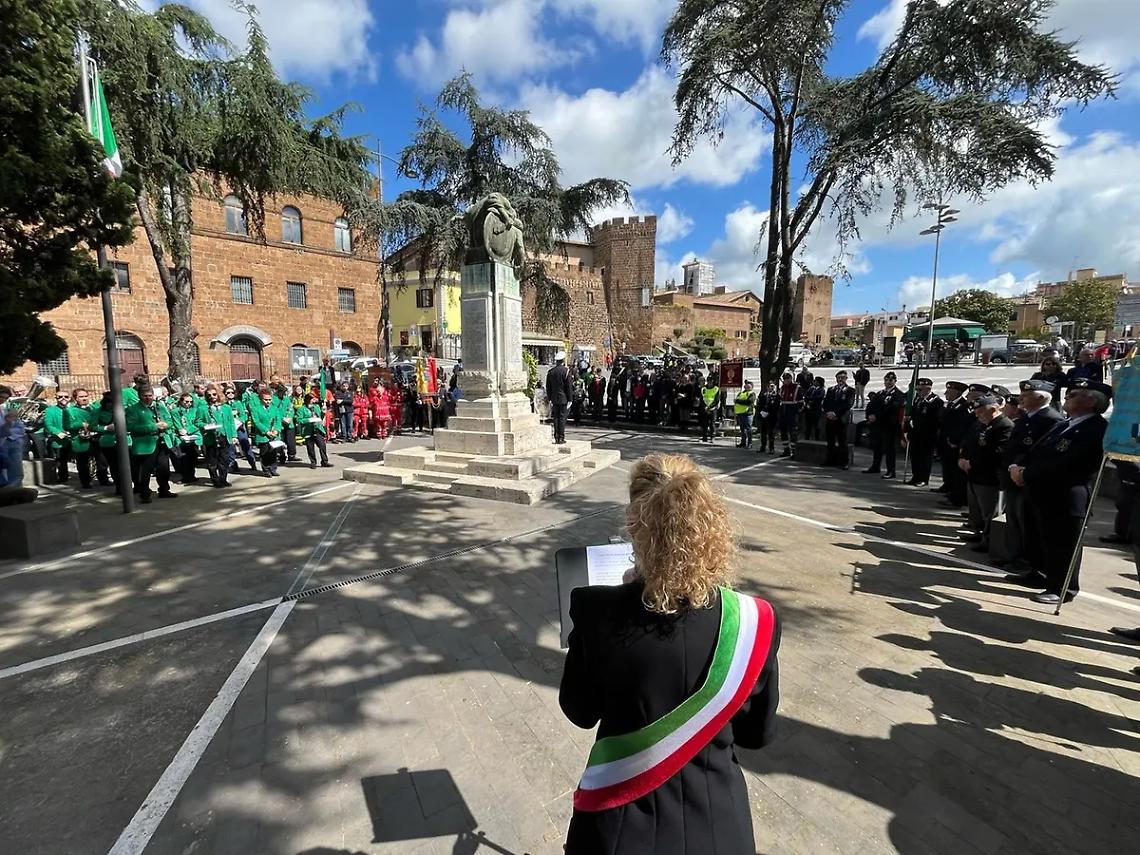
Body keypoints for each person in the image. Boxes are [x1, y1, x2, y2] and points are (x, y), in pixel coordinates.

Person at [559, 453, 780, 855]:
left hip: (619, 828)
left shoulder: (595, 610)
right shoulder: (755, 621)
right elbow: (755, 735)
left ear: (634, 525)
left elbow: (579, 711)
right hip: (719, 827)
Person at [1007, 379, 1110, 603]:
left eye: (1073, 395)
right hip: (1042, 490)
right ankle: (1039, 574)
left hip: (1066, 494)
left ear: (1091, 401)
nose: (1066, 397)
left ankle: (1062, 588)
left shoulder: (1096, 429)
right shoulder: (1065, 424)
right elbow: (1037, 451)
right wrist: (1017, 467)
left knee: (1063, 544)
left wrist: (1026, 473)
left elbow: (1070, 463)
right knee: (1041, 538)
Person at [995, 380, 1063, 569]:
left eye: (1026, 395)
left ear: (1040, 397)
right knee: (1014, 520)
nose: (1021, 398)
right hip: (1012, 476)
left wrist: (1019, 469)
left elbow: (1040, 452)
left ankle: (1026, 560)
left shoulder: (1051, 419)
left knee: (1026, 523)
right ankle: (1014, 556)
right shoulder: (1028, 417)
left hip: (1027, 480)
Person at [959, 395, 1013, 551]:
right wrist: (963, 457)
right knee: (977, 508)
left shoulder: (1004, 425)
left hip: (989, 476)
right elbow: (971, 442)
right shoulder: (982, 424)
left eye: (981, 412)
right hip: (974, 474)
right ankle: (979, 532)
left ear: (993, 409)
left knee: (989, 510)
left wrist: (972, 462)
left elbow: (997, 453)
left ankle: (988, 540)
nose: (978, 415)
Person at [125, 385, 176, 503]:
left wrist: (166, 425)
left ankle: (164, 490)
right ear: (139, 396)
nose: (148, 398)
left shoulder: (159, 406)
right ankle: (144, 493)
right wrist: (154, 426)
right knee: (145, 471)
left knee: (163, 468)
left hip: (162, 441)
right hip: (145, 444)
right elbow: (132, 427)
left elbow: (169, 420)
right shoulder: (133, 409)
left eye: (150, 395)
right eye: (145, 396)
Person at [936, 381, 971, 504]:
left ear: (956, 392)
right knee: (946, 465)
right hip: (945, 440)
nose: (945, 393)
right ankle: (947, 484)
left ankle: (953, 489)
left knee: (953, 467)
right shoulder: (949, 405)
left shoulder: (963, 406)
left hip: (954, 442)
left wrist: (954, 439)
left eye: (949, 391)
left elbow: (960, 425)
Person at [903, 378, 942, 487]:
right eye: (917, 390)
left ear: (928, 389)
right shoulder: (917, 399)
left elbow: (936, 420)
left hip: (927, 435)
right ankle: (916, 476)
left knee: (925, 458)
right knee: (915, 457)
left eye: (920, 390)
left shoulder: (936, 401)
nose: (918, 392)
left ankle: (924, 479)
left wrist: (918, 423)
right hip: (916, 434)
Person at [198, 384, 234, 488]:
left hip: (224, 436)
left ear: (218, 394)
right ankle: (215, 480)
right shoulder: (203, 408)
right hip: (211, 436)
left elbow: (231, 422)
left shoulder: (226, 407)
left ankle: (223, 479)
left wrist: (234, 436)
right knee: (212, 461)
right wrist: (205, 426)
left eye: (214, 394)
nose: (212, 397)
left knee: (225, 460)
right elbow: (197, 421)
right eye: (209, 395)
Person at [822, 370, 856, 468]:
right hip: (830, 418)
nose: (841, 379)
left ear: (846, 379)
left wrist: (836, 413)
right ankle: (830, 459)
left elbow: (848, 404)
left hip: (841, 418)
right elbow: (826, 403)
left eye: (843, 377)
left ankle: (844, 462)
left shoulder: (850, 390)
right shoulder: (831, 390)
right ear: (836, 378)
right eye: (839, 377)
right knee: (830, 440)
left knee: (842, 441)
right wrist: (828, 412)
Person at [65, 387, 96, 489]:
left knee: (101, 461)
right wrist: (81, 424)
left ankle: (103, 479)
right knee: (82, 462)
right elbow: (67, 425)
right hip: (80, 439)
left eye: (86, 396)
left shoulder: (94, 409)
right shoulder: (69, 411)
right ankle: (85, 482)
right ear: (75, 398)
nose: (84, 398)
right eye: (81, 397)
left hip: (95, 437)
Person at [875, 371, 904, 478]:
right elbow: (873, 405)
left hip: (889, 425)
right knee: (877, 446)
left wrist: (878, 415)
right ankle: (875, 466)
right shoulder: (880, 393)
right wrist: (871, 415)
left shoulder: (898, 394)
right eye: (886, 379)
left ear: (895, 381)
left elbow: (893, 408)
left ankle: (891, 470)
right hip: (878, 424)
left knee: (889, 449)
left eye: (891, 380)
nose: (888, 382)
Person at [169, 392, 203, 484]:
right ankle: (185, 477)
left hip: (193, 436)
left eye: (191, 402)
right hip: (182, 438)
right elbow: (176, 422)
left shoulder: (195, 410)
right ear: (181, 401)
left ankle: (192, 475)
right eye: (186, 401)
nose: (189, 403)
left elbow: (197, 423)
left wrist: (188, 430)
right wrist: (180, 430)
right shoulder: (175, 411)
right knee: (183, 458)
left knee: (193, 457)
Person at [249, 388, 283, 477]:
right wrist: (266, 431)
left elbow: (278, 420)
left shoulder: (274, 408)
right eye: (266, 400)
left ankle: (273, 468)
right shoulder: (255, 409)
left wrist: (276, 430)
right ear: (261, 399)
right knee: (265, 453)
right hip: (263, 435)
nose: (268, 401)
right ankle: (266, 469)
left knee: (273, 452)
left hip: (274, 434)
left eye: (269, 399)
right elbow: (256, 422)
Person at [225, 386, 258, 473]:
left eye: (232, 392)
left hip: (239, 428)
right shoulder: (224, 405)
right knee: (231, 447)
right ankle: (232, 465)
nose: (230, 394)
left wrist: (240, 421)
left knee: (245, 445)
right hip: (230, 429)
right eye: (228, 393)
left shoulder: (238, 403)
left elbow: (244, 415)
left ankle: (252, 463)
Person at [42, 390, 71, 482]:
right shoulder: (50, 410)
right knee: (61, 461)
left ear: (69, 398)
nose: (63, 398)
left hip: (74, 438)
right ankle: (63, 478)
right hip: (59, 440)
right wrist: (58, 433)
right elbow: (48, 424)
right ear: (56, 399)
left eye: (66, 396)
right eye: (60, 397)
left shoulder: (73, 409)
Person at [300, 392, 333, 469]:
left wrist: (323, 413)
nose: (314, 400)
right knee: (310, 448)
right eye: (312, 399)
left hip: (317, 429)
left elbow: (320, 417)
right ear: (308, 399)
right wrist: (308, 420)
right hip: (308, 430)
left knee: (322, 445)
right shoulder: (302, 409)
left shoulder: (316, 407)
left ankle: (324, 461)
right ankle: (313, 462)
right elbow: (299, 420)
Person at [546, 350, 573, 444]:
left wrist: (549, 398)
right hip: (563, 398)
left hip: (554, 398)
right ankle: (561, 437)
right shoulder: (566, 371)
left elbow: (548, 387)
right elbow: (569, 387)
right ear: (563, 360)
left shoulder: (551, 372)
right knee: (562, 418)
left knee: (556, 418)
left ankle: (556, 436)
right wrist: (570, 399)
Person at [757, 381, 780, 454]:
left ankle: (771, 448)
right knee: (763, 432)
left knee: (771, 433)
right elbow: (759, 404)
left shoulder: (776, 395)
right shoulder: (763, 394)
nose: (770, 388)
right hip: (763, 416)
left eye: (772, 386)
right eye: (769, 386)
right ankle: (763, 447)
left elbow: (776, 406)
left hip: (771, 417)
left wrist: (769, 413)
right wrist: (761, 412)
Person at [698, 374, 721, 443]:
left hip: (713, 408)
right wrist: (705, 407)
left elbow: (716, 400)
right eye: (708, 381)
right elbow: (702, 399)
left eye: (711, 381)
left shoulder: (716, 389)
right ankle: (704, 437)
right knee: (704, 423)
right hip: (705, 408)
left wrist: (710, 407)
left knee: (712, 424)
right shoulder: (703, 389)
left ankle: (712, 437)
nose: (709, 382)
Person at [734, 380, 756, 449]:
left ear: (751, 387)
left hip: (748, 413)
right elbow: (736, 400)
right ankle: (743, 442)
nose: (747, 386)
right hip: (740, 413)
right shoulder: (741, 393)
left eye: (749, 386)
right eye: (746, 385)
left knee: (748, 429)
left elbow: (749, 401)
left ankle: (750, 443)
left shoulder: (752, 393)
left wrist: (738, 401)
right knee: (742, 429)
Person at [802, 376, 825, 441]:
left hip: (816, 409)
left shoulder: (821, 389)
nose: (814, 382)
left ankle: (817, 438)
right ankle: (807, 437)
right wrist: (808, 400)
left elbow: (819, 397)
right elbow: (806, 395)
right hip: (808, 409)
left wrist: (811, 399)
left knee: (816, 424)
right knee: (808, 424)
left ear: (819, 382)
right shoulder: (811, 388)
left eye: (815, 381)